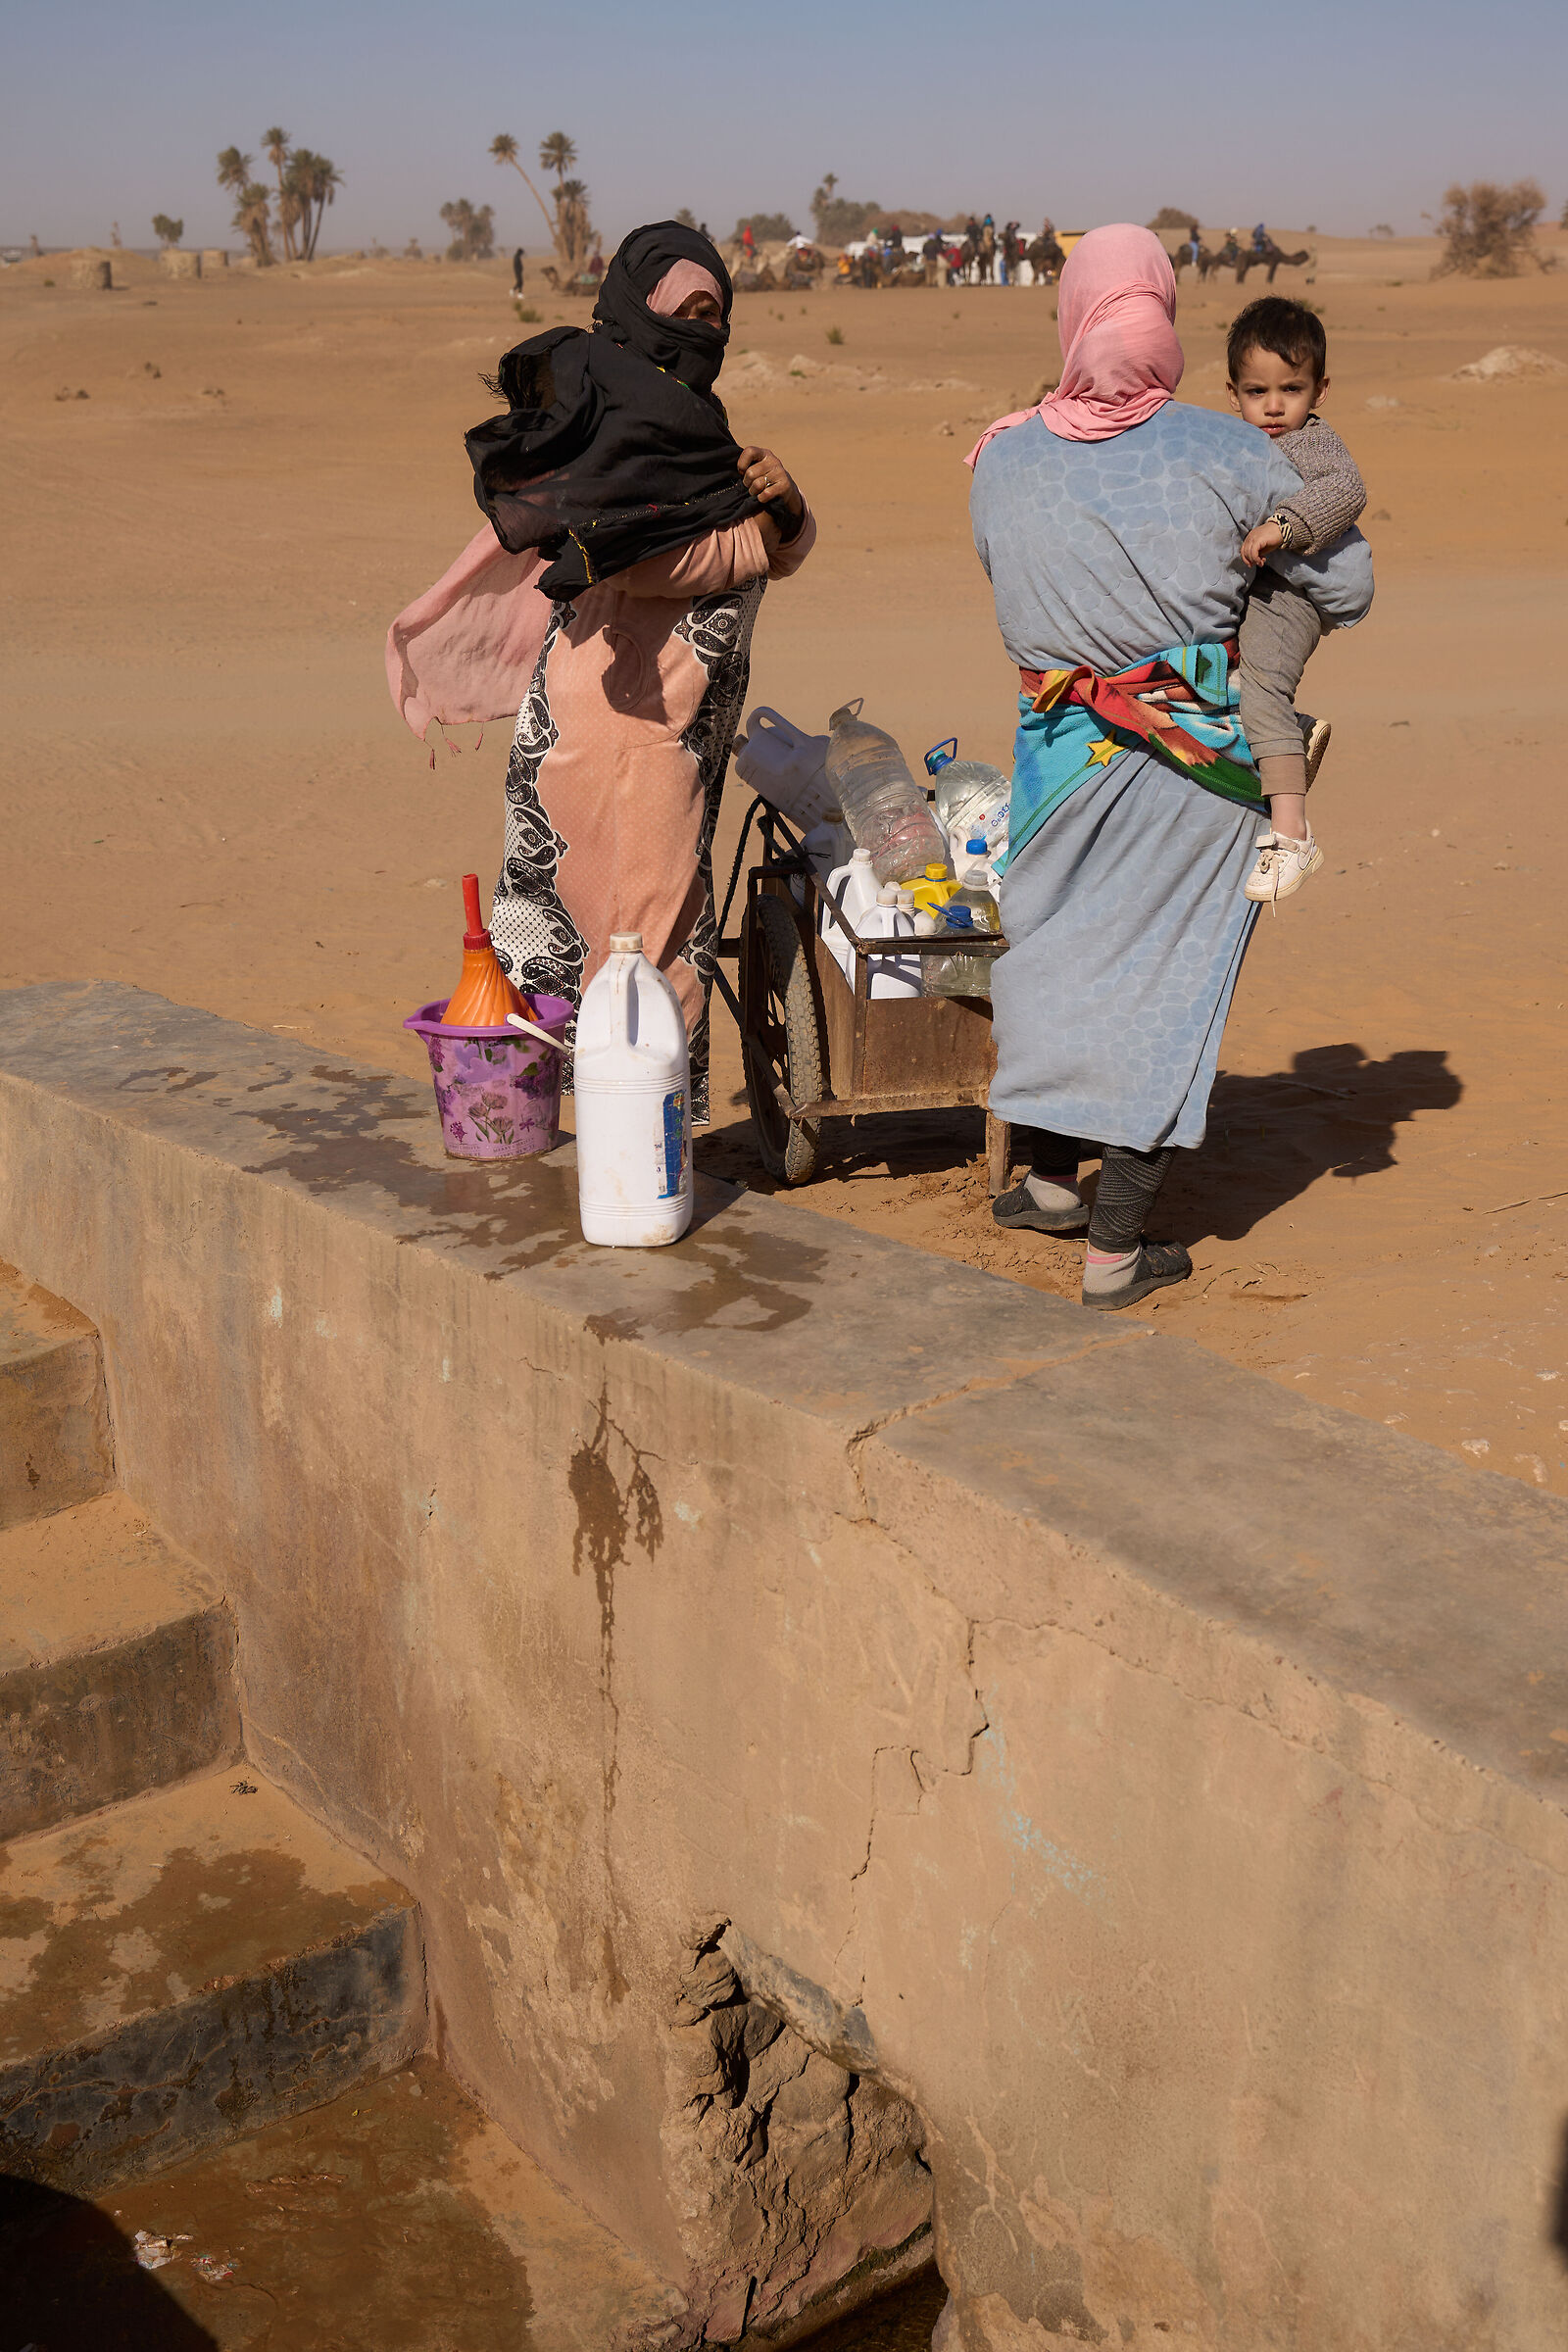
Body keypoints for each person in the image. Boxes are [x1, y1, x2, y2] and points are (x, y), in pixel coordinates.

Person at [965, 224, 1372, 1310]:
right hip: (1193, 760)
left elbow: (1008, 575)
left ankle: (1050, 1186)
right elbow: (1352, 582)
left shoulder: (999, 453)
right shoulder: (1229, 448)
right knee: (1162, 979)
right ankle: (1115, 1249)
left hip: (1053, 757)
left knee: (1056, 960)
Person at [386, 222, 815, 1123]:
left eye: (715, 312)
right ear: (638, 310)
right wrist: (760, 533)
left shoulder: (690, 428)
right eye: (684, 311)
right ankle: (630, 1157)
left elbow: (768, 545)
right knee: (637, 947)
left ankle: (568, 1140)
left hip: (664, 728)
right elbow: (629, 558)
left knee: (592, 933)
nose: (703, 329)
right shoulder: (613, 416)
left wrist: (786, 509)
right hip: (616, 732)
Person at [1226, 297, 1364, 901]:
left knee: (1260, 687)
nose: (1275, 406)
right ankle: (1290, 733)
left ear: (1320, 390)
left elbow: (1347, 489)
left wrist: (1284, 526)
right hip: (1260, 589)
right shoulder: (1236, 441)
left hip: (1295, 591)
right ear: (1234, 393)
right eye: (1258, 391)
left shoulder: (1311, 443)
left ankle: (1291, 835)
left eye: (1292, 389)